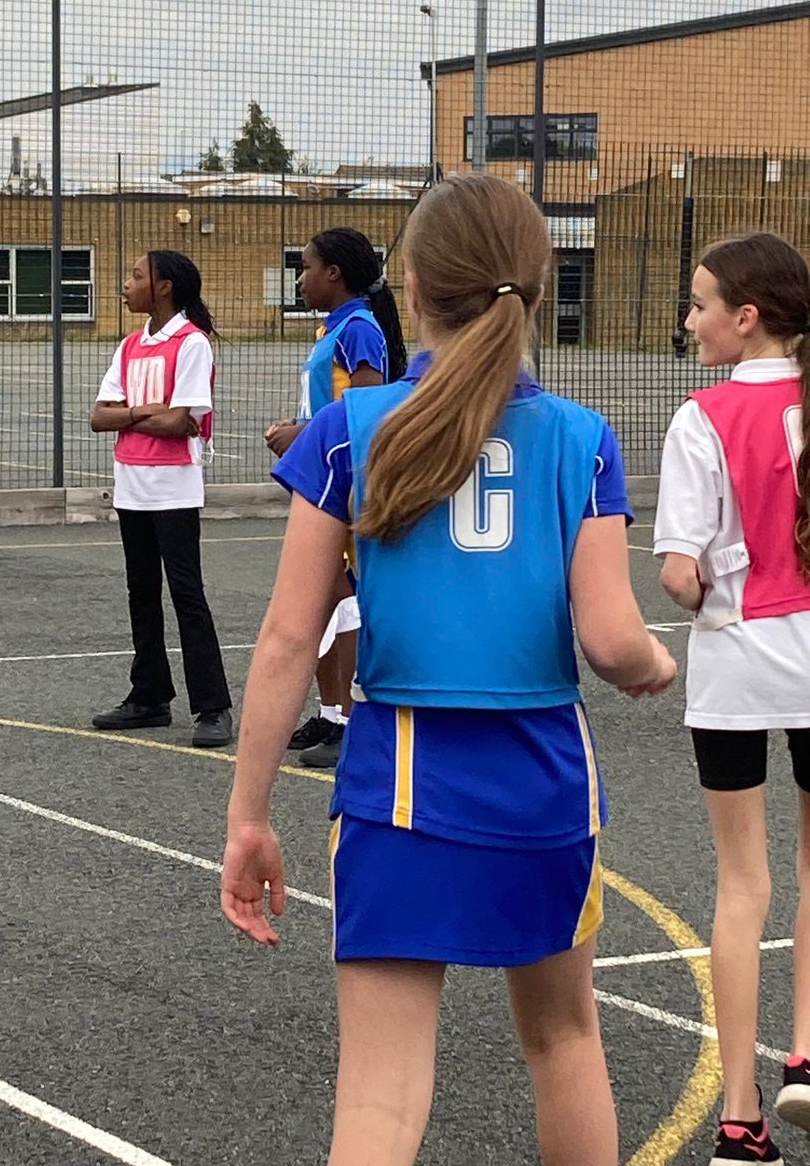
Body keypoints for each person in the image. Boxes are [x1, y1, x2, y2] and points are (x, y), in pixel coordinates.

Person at [222, 174, 676, 1166]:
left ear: (413, 285)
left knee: (381, 1101)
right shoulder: (581, 439)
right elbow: (610, 640)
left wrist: (250, 816)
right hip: (541, 776)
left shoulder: (349, 431)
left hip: (402, 778)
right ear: (534, 287)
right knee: (564, 1044)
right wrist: (658, 663)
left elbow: (289, 640)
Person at [655, 231, 810, 1165]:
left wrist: (711, 579)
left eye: (701, 301)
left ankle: (742, 1120)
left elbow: (678, 576)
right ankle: (809, 1061)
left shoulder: (700, 419)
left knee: (741, 884)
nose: (690, 317)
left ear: (746, 317)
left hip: (736, 664)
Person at [265, 227, 407, 769]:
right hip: (324, 476)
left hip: (350, 481)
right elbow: (333, 405)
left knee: (338, 598)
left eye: (305, 267)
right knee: (321, 599)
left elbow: (369, 410)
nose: (299, 279)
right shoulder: (335, 328)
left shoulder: (361, 330)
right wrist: (302, 429)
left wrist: (304, 437)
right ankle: (330, 711)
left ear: (334, 274)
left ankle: (350, 719)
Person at [90, 250, 233, 749]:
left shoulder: (191, 344)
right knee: (141, 591)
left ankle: (213, 706)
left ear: (164, 286)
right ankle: (149, 694)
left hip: (173, 484)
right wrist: (144, 412)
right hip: (131, 481)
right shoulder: (131, 345)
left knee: (186, 593)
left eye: (135, 276)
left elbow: (182, 422)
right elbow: (98, 416)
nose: (126, 284)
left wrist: (132, 414)